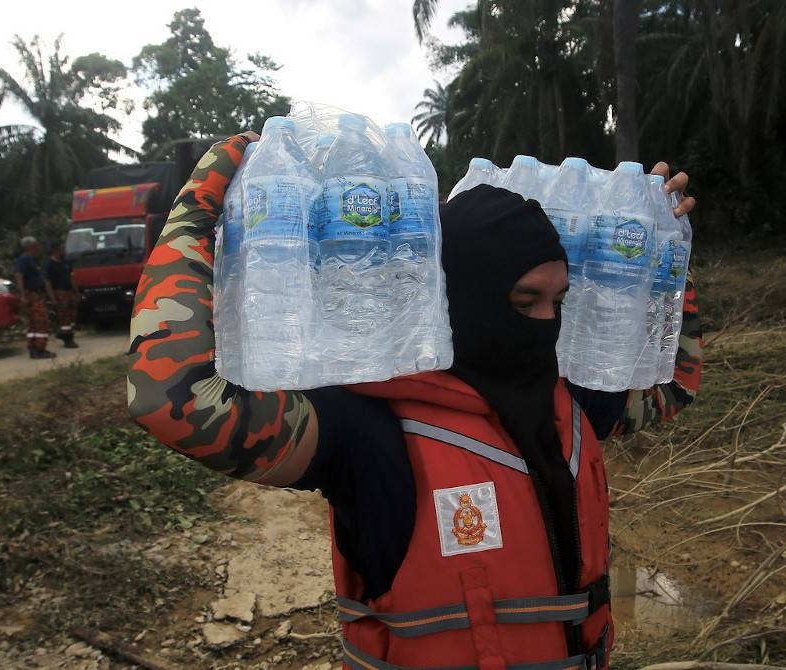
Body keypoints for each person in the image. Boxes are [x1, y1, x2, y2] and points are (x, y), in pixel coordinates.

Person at [128, 136, 703, 669]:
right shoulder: (368, 429)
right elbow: (171, 398)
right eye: (525, 300)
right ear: (458, 293)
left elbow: (674, 383)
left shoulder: (568, 402)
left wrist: (662, 247)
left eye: (560, 300)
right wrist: (198, 206)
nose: (546, 324)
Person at [15, 237, 56, 360]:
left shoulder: (30, 260)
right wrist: (23, 295)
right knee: (40, 320)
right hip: (32, 294)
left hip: (34, 293)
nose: (38, 248)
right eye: (36, 246)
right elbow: (18, 276)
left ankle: (33, 347)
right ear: (30, 246)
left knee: (33, 322)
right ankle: (39, 348)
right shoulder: (24, 260)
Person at [45, 242, 79, 349]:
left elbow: (71, 277)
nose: (64, 250)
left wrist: (76, 291)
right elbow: (48, 282)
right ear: (55, 250)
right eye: (61, 248)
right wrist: (52, 297)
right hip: (59, 292)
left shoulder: (66, 262)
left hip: (69, 291)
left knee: (72, 314)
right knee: (64, 316)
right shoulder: (49, 265)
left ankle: (63, 333)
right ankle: (68, 339)